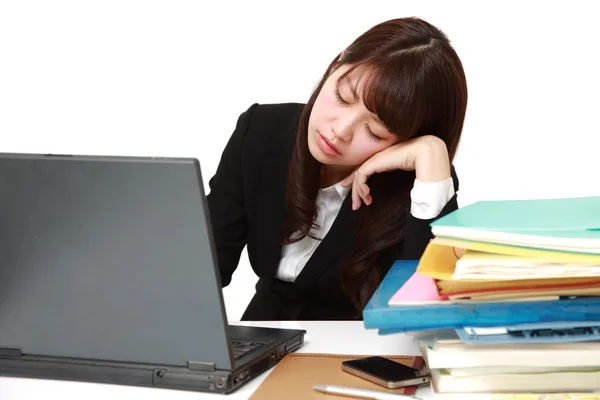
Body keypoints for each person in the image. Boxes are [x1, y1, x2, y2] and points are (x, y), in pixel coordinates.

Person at [206, 16, 468, 321]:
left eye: (375, 131)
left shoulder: (421, 187)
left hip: (354, 356)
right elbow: (204, 268)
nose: (341, 130)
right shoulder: (262, 132)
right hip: (262, 338)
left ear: (408, 138)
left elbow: (428, 317)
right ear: (336, 64)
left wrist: (432, 155)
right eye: (342, 97)